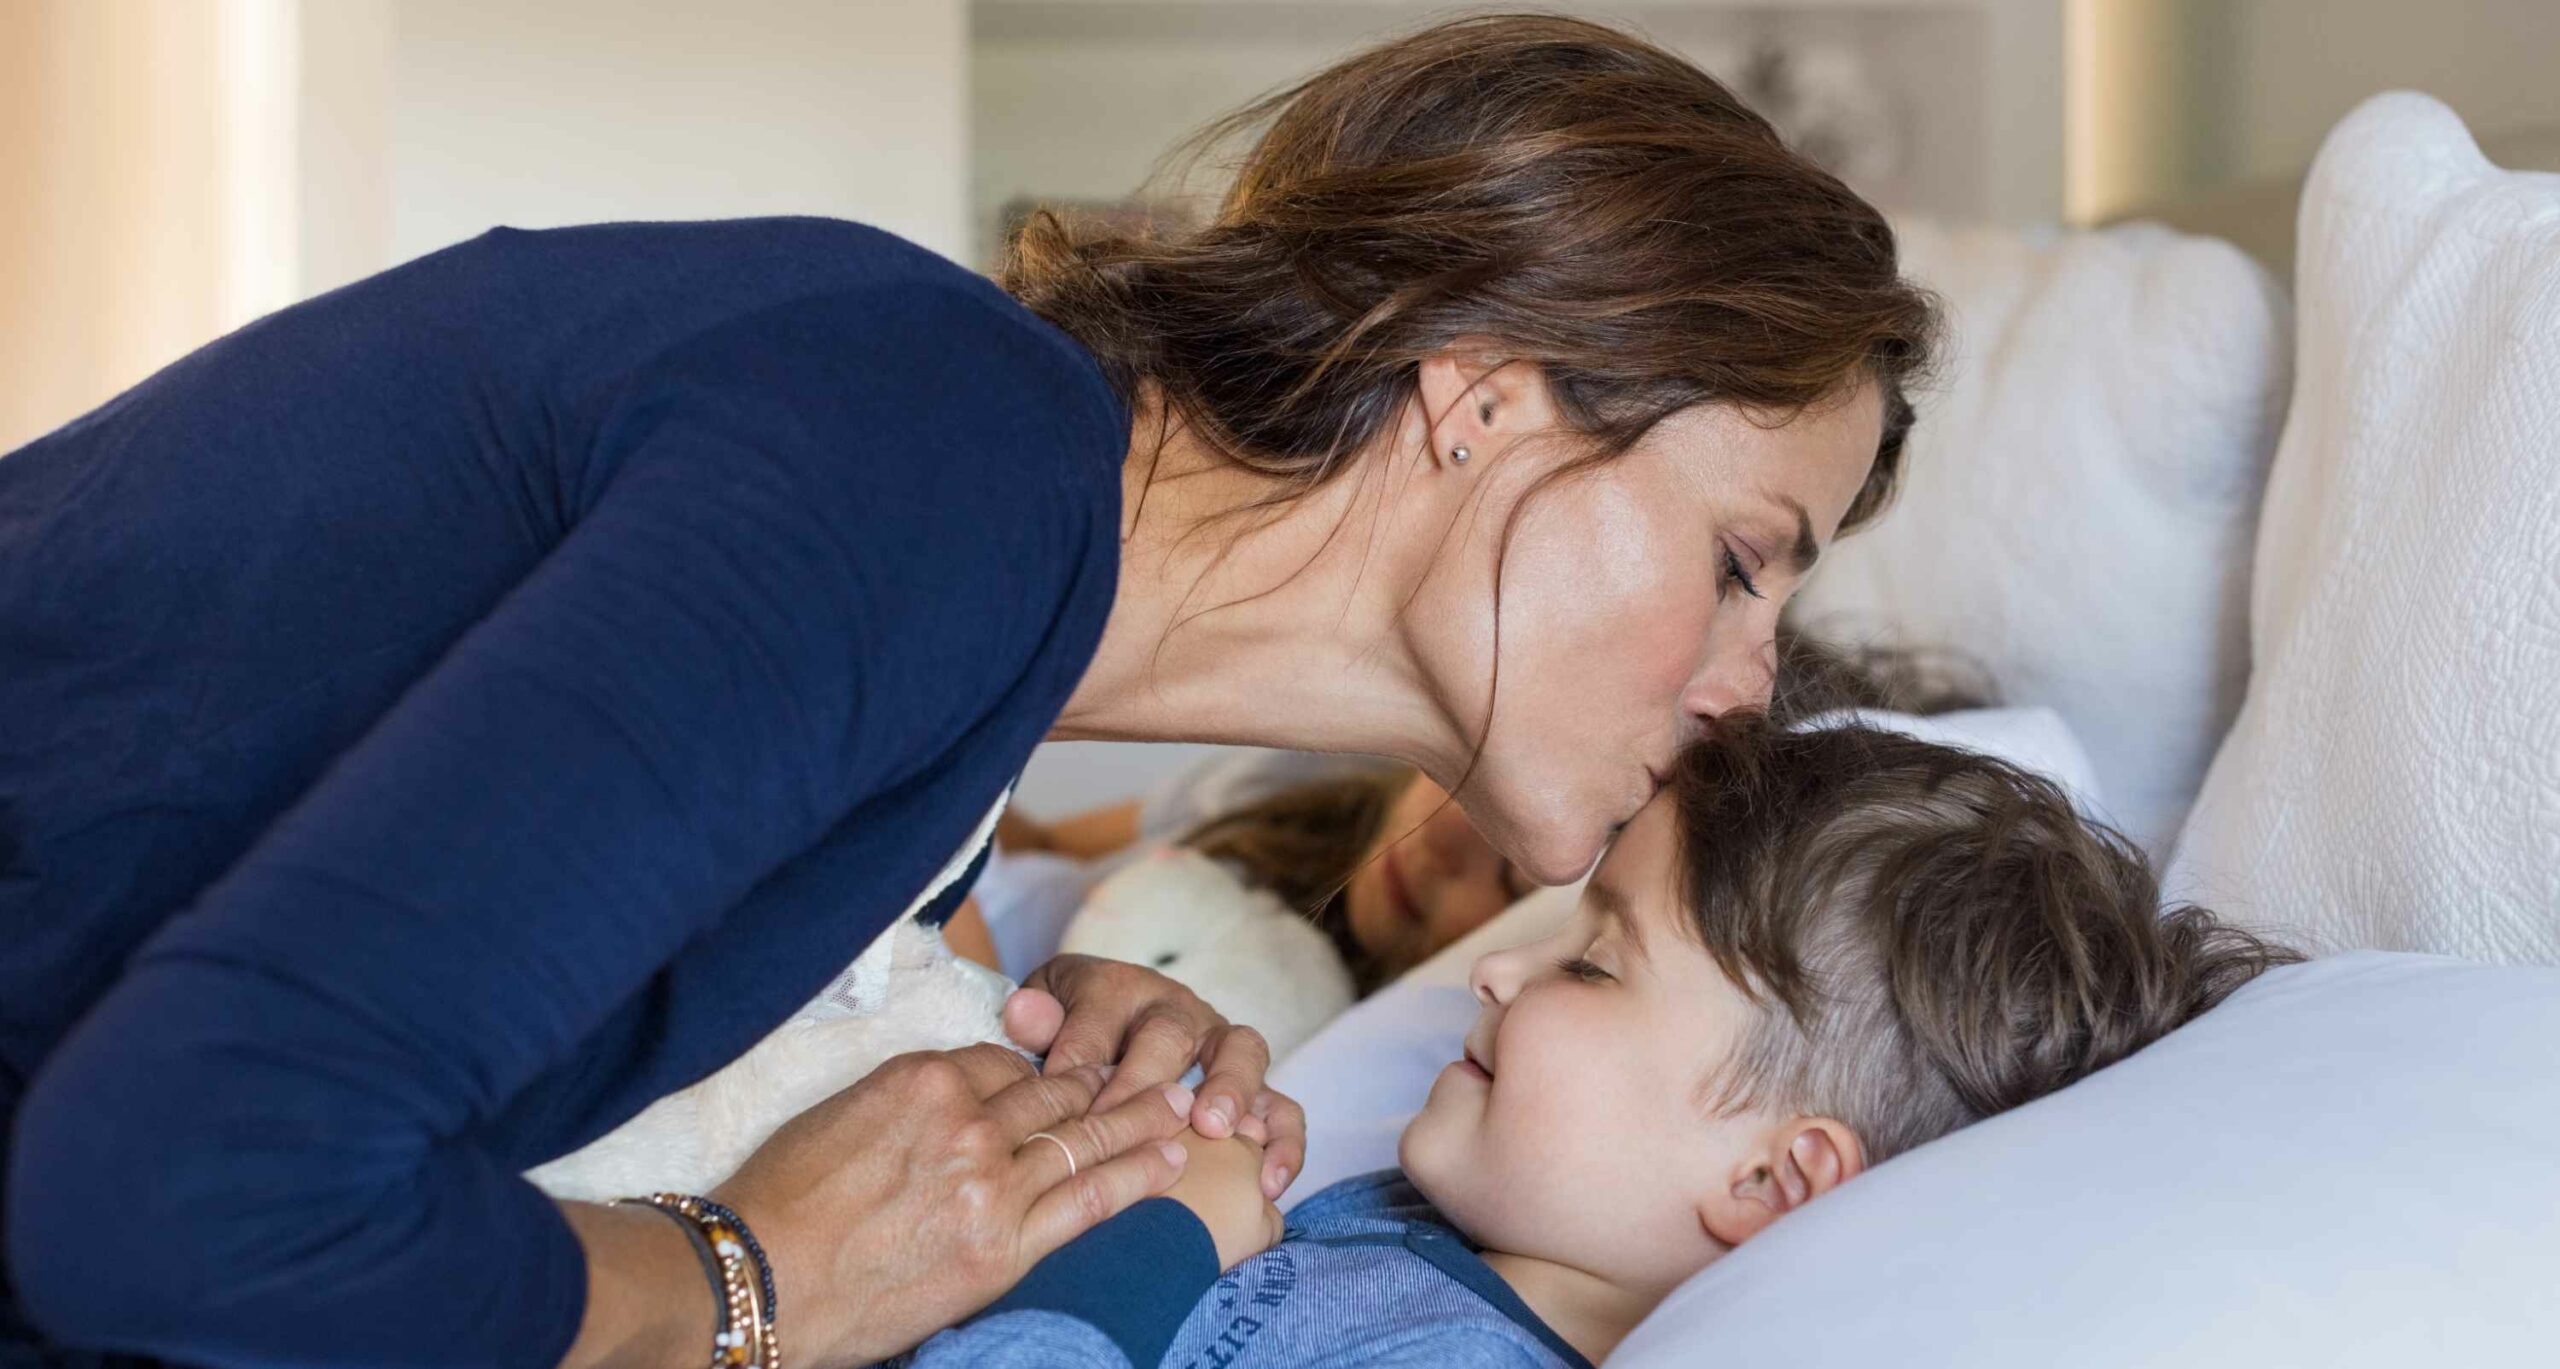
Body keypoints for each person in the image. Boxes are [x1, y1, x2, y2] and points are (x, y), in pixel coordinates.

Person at [0, 14, 1937, 1369]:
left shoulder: (965, 615)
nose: (1743, 684)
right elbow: (184, 1183)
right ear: (1486, 388)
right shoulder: (937, 452)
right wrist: (738, 1289)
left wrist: (911, 981)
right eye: (1742, 555)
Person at [896, 719, 2303, 1368]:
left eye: (1591, 959)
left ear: (1768, 1178)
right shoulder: (1409, 1220)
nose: (1496, 968)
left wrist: (1168, 1247)